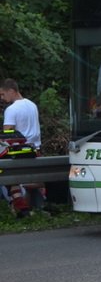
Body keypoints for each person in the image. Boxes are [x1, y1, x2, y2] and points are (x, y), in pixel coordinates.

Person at [1, 79, 44, 216]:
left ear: (11, 91)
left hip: (18, 151)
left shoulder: (12, 109)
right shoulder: (32, 105)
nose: (2, 98)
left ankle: (21, 206)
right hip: (35, 150)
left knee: (6, 175)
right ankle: (35, 205)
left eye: (2, 94)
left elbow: (7, 134)